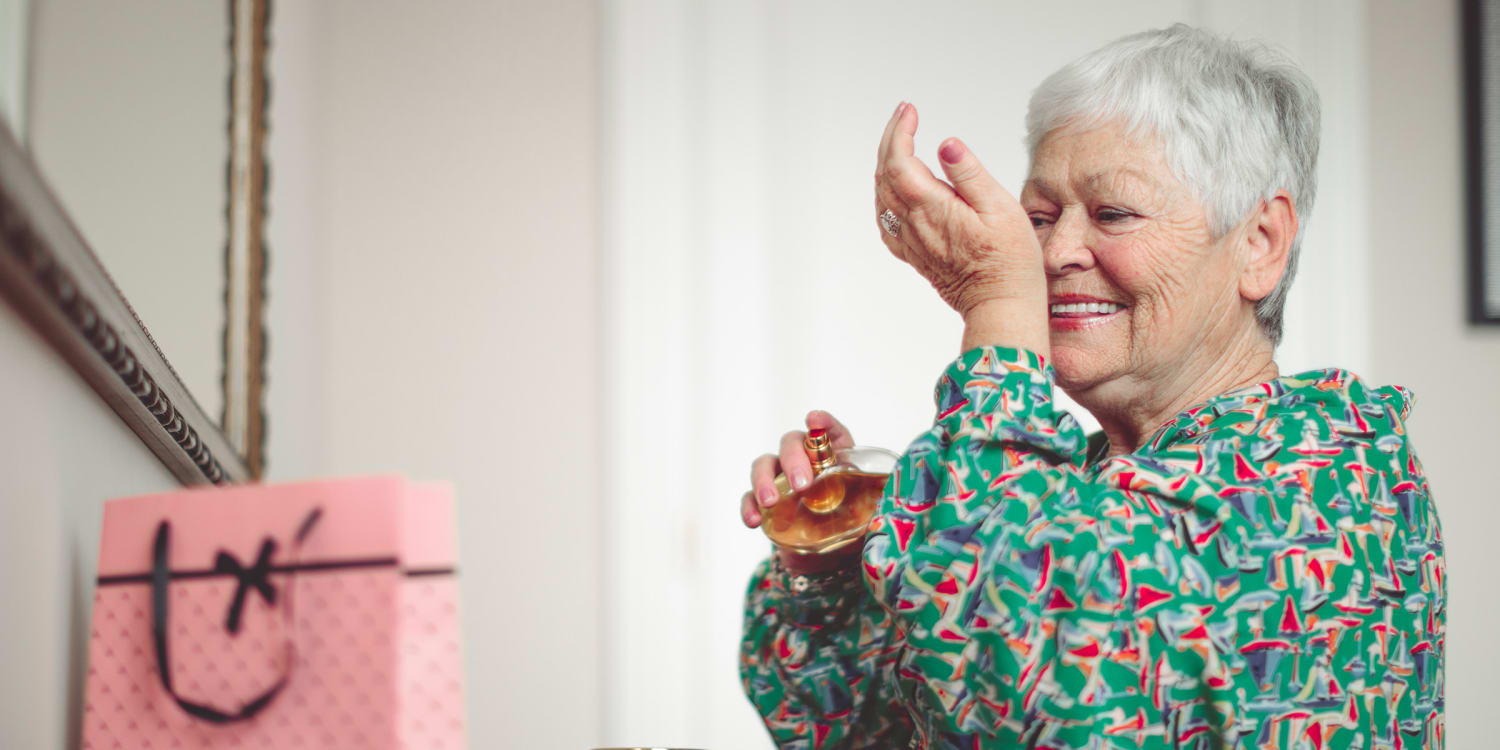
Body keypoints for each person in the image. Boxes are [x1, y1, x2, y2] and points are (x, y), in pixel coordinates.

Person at [737, 24, 1444, 749]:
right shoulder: (1069, 482)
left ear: (1258, 243)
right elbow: (862, 731)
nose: (1053, 254)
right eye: (1038, 219)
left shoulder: (1329, 476)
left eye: (1113, 214)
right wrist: (824, 561)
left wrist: (998, 311)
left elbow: (1024, 686)